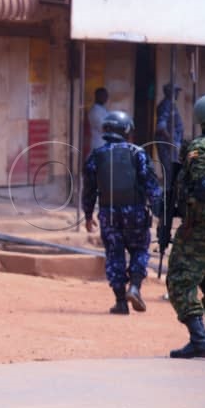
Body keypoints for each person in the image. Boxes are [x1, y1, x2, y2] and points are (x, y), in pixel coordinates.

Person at [82, 110, 162, 315]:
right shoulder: (138, 153)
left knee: (114, 255)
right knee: (140, 250)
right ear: (127, 131)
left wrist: (88, 214)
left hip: (108, 214)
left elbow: (89, 189)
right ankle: (134, 287)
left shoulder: (96, 155)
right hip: (136, 212)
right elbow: (150, 185)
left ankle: (120, 302)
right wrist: (160, 211)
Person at [164, 93, 205, 358]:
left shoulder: (199, 148)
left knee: (180, 279)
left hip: (200, 228)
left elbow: (204, 187)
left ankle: (199, 339)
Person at [156, 83, 185, 170]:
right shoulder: (166, 104)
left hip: (172, 142)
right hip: (167, 143)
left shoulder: (171, 104)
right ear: (169, 92)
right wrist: (170, 141)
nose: (177, 94)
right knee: (169, 170)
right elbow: (161, 127)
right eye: (175, 92)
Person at [88, 87, 109, 157]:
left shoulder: (103, 109)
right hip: (99, 143)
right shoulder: (95, 111)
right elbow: (103, 128)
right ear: (97, 96)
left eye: (106, 96)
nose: (106, 98)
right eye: (103, 96)